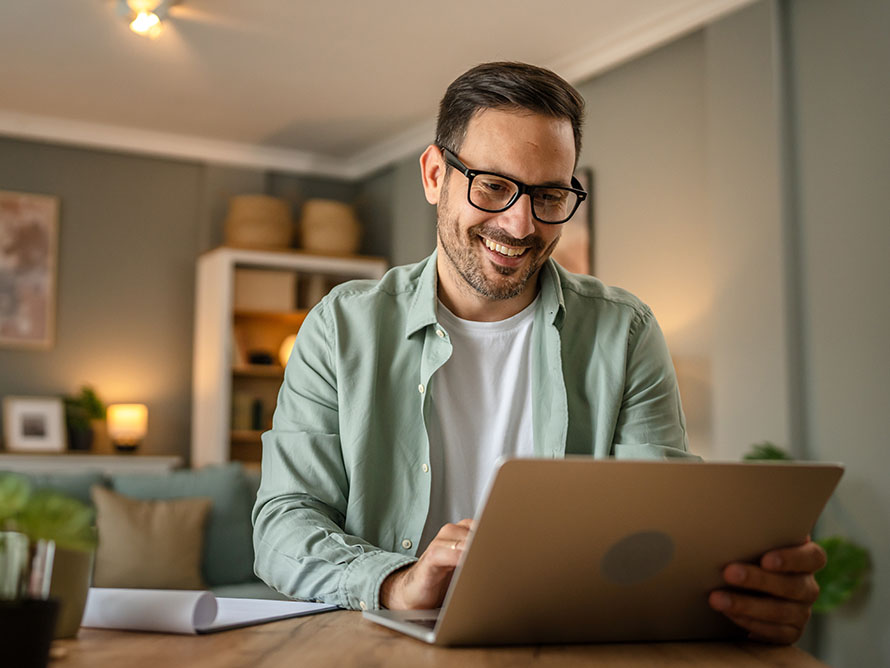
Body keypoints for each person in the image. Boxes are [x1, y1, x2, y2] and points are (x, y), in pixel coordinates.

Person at [253, 61, 825, 644]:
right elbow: (284, 522)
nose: (521, 224)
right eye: (494, 186)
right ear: (433, 176)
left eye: (549, 194)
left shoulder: (624, 332)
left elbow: (655, 532)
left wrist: (740, 598)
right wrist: (399, 581)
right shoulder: (340, 327)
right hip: (381, 649)